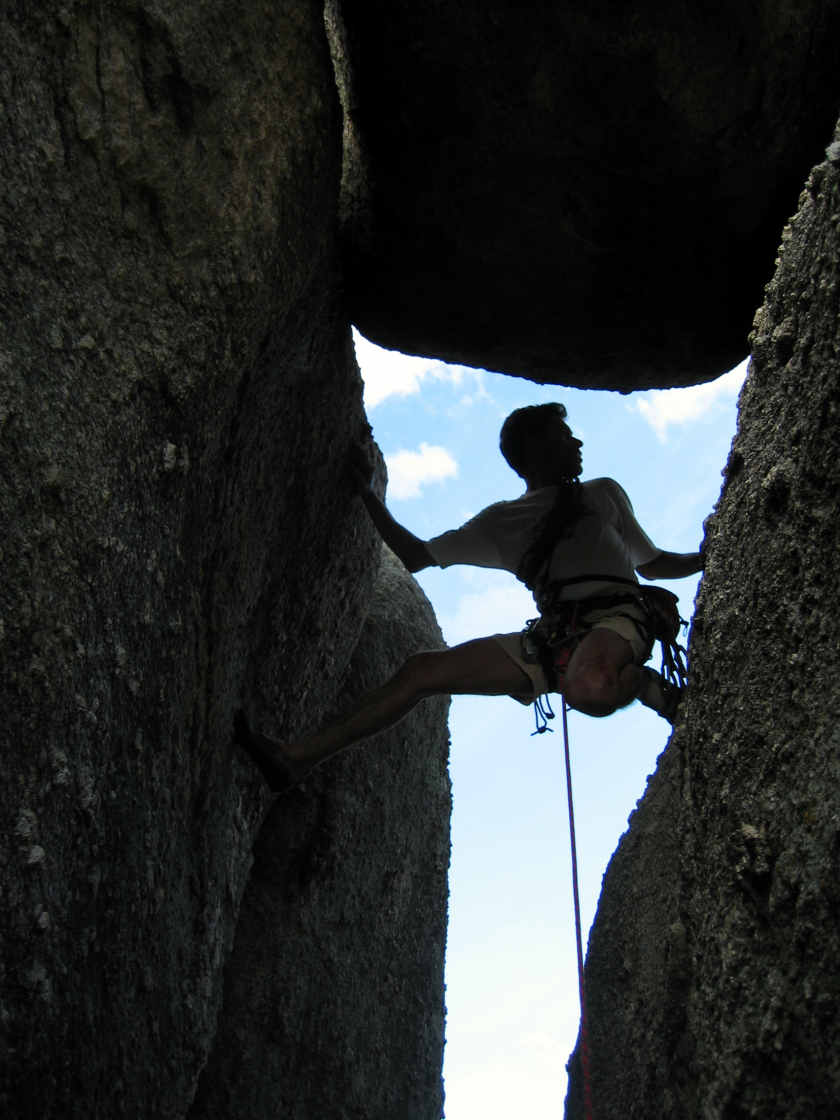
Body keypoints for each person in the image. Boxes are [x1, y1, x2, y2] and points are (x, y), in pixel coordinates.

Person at [234, 403, 704, 792]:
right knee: (422, 670)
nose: (578, 443)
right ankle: (296, 758)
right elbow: (417, 554)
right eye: (565, 435)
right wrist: (366, 494)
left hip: (619, 617)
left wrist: (708, 555)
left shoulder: (603, 493)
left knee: (592, 687)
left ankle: (642, 685)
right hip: (552, 638)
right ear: (534, 446)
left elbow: (654, 562)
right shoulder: (502, 521)